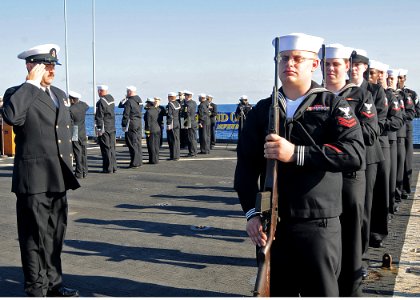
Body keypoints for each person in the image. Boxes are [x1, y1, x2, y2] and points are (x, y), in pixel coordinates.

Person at [234, 33, 365, 297]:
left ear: (314, 64)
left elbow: (354, 153)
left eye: (297, 59)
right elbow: (246, 168)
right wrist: (251, 213)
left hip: (319, 223)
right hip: (273, 225)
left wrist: (296, 153)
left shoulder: (333, 106)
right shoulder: (262, 110)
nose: (289, 64)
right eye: (283, 58)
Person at [1, 44, 80, 297]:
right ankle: (36, 288)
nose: (51, 70)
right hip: (33, 180)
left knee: (56, 236)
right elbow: (12, 117)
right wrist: (31, 84)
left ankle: (54, 285)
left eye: (53, 65)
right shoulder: (18, 94)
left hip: (58, 177)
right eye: (45, 66)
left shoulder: (58, 93)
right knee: (34, 238)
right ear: (31, 66)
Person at [322, 44, 377, 296]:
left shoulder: (360, 95)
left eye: (336, 63)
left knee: (352, 233)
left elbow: (371, 131)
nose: (331, 68)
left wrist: (341, 137)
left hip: (350, 175)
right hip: (321, 177)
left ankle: (351, 289)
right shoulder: (315, 96)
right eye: (326, 63)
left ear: (347, 66)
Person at [397, 69, 418, 199]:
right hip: (395, 132)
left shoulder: (410, 94)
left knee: (407, 161)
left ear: (404, 78)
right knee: (398, 161)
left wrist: (399, 116)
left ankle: (406, 188)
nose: (398, 80)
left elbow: (414, 111)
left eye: (400, 78)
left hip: (406, 129)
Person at [118, 86, 143, 168]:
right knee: (137, 142)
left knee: (132, 143)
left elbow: (126, 114)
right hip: (138, 122)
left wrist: (124, 125)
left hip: (131, 123)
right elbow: (121, 105)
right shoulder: (139, 99)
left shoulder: (129, 102)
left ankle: (134, 162)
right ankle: (139, 161)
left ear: (129, 92)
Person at [95, 85, 117, 173]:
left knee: (105, 148)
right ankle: (113, 166)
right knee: (112, 147)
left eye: (99, 91)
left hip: (105, 127)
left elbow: (99, 116)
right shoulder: (111, 98)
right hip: (112, 126)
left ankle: (107, 168)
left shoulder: (101, 102)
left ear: (100, 91)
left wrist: (99, 129)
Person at [69, 90, 89, 179]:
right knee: (84, 150)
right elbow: (87, 106)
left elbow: (69, 122)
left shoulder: (70, 109)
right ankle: (85, 170)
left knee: (77, 151)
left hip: (75, 130)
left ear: (72, 100)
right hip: (82, 129)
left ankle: (79, 172)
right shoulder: (83, 106)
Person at [144, 98, 161, 164]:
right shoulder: (157, 110)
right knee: (156, 145)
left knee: (151, 145)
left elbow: (148, 123)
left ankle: (152, 160)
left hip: (151, 130)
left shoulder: (148, 112)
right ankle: (156, 159)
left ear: (149, 103)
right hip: (157, 129)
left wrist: (147, 132)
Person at [182, 90, 198, 157]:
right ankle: (194, 151)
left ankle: (192, 152)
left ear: (188, 96)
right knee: (193, 137)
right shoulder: (194, 103)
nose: (184, 97)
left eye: (185, 95)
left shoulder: (187, 104)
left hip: (189, 122)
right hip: (193, 121)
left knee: (190, 138)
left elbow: (187, 114)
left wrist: (185, 124)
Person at [166, 92, 181, 160]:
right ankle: (176, 155)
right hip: (177, 122)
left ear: (170, 97)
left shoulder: (170, 104)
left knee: (172, 140)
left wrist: (169, 124)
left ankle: (174, 156)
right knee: (177, 139)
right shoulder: (178, 104)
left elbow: (169, 115)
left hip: (172, 123)